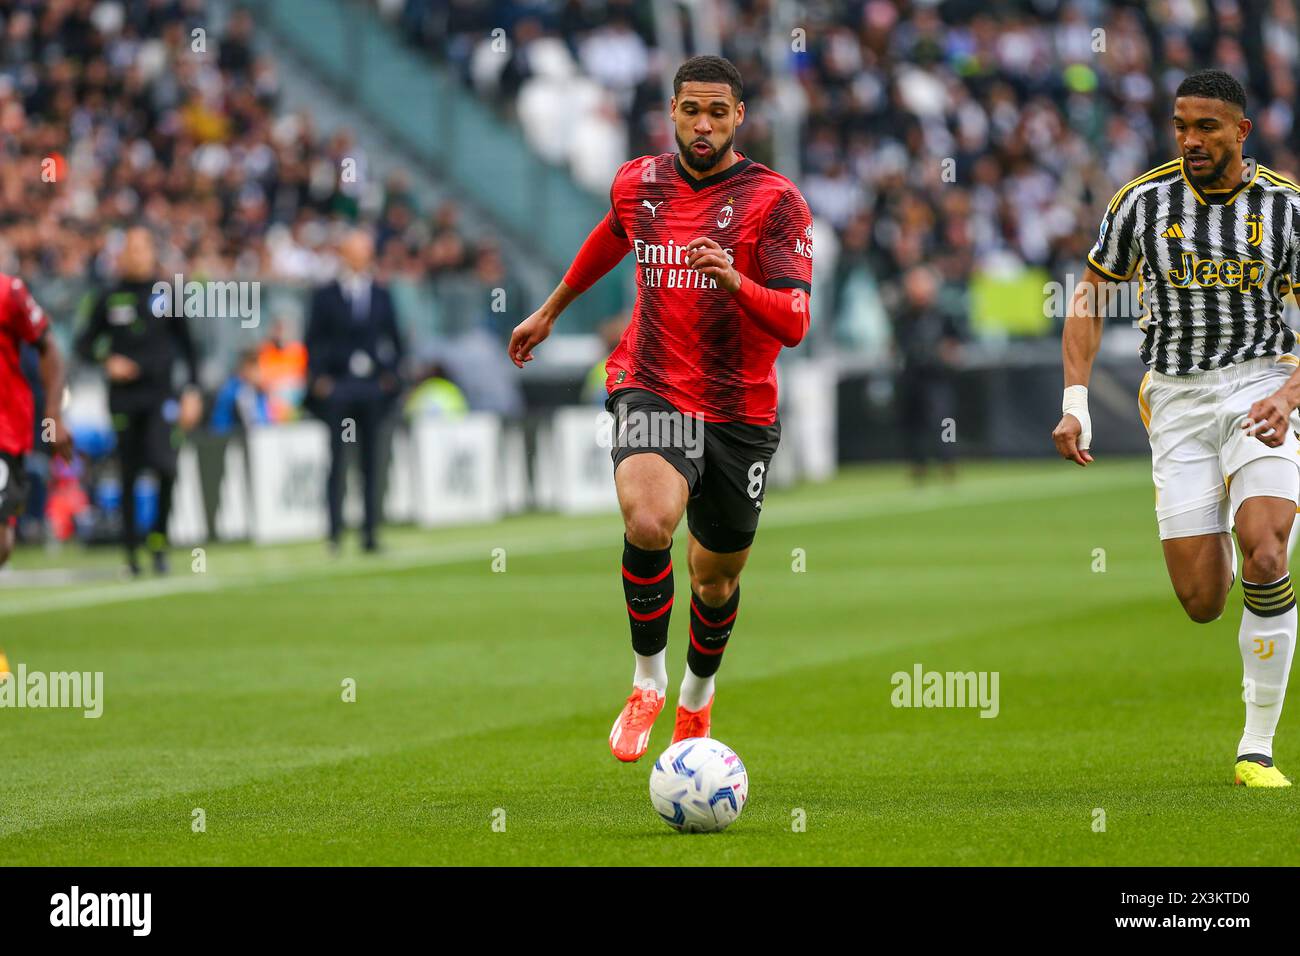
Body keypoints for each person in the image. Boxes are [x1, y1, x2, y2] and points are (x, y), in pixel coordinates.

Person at [508, 55, 814, 762]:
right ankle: (647, 680)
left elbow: (795, 321)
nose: (702, 125)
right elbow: (611, 236)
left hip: (740, 409)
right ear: (671, 112)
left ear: (739, 117)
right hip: (652, 383)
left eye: (717, 112)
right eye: (690, 110)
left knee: (717, 576)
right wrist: (552, 309)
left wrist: (736, 280)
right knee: (648, 521)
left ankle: (696, 700)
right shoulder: (638, 183)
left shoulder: (777, 202)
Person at [1053, 70, 1300, 787]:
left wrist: (1290, 393)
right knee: (1201, 601)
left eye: (1207, 128)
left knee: (1264, 552)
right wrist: (1077, 400)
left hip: (1261, 387)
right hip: (1179, 402)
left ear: (1241, 132)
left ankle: (1256, 748)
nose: (1191, 140)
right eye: (1181, 126)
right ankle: (1248, 505)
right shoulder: (1142, 200)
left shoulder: (1285, 209)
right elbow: (1092, 291)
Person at [76, 227, 201, 576]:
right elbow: (83, 344)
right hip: (124, 399)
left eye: (141, 249)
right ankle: (131, 550)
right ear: (121, 255)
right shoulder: (107, 297)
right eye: (129, 249)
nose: (135, 255)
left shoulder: (168, 295)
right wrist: (107, 360)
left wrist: (191, 390)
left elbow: (189, 348)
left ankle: (158, 541)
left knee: (166, 467)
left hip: (161, 397)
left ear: (152, 253)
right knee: (129, 472)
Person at [305, 229, 404, 553]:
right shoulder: (325, 295)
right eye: (354, 250)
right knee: (337, 461)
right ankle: (334, 533)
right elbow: (313, 340)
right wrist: (320, 379)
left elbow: (396, 338)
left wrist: (390, 377)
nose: (361, 256)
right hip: (339, 389)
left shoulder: (380, 294)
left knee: (371, 462)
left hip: (371, 390)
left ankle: (370, 533)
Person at [891, 265, 962, 483]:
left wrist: (945, 354)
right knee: (914, 423)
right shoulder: (903, 317)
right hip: (913, 377)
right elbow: (896, 346)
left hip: (937, 377)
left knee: (944, 421)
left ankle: (948, 461)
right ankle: (918, 464)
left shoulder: (942, 315)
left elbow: (956, 345)